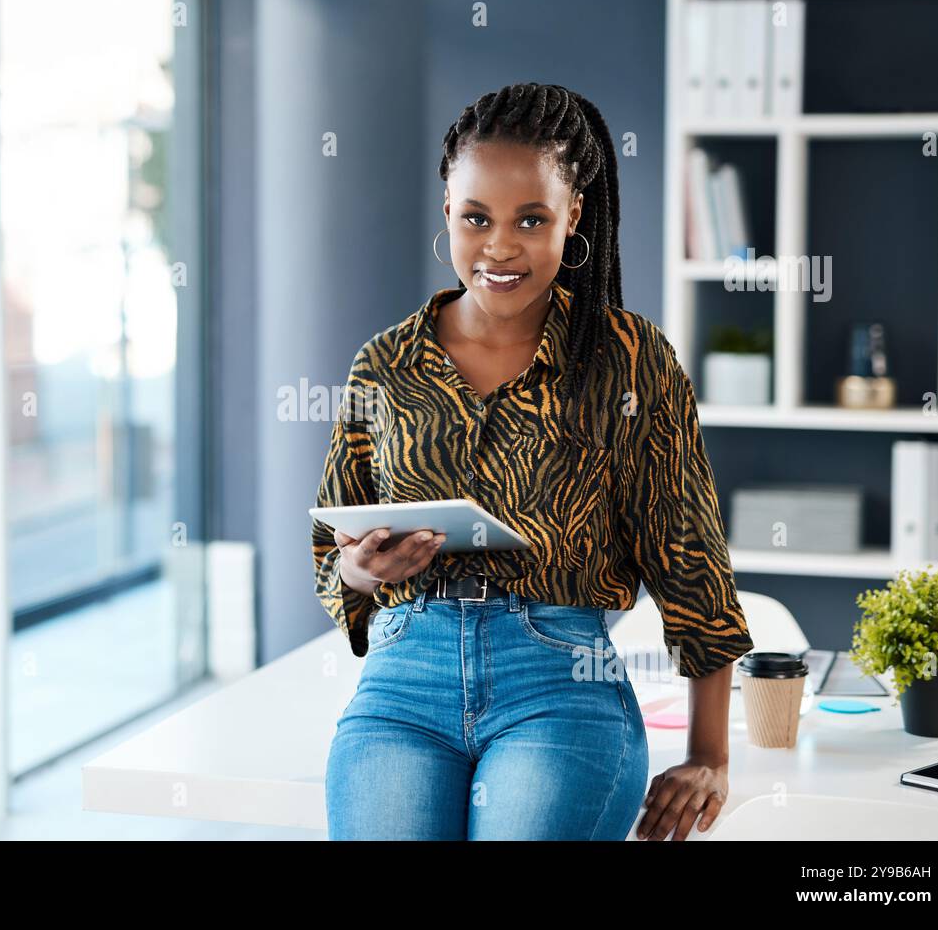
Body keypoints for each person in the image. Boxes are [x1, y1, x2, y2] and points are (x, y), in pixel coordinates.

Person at [311, 82, 755, 841]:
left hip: (558, 683)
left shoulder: (630, 361)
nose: (501, 247)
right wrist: (362, 570)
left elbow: (691, 562)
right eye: (477, 218)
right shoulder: (384, 365)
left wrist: (709, 754)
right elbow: (332, 560)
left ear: (573, 215)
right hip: (401, 681)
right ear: (448, 208)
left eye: (532, 219)